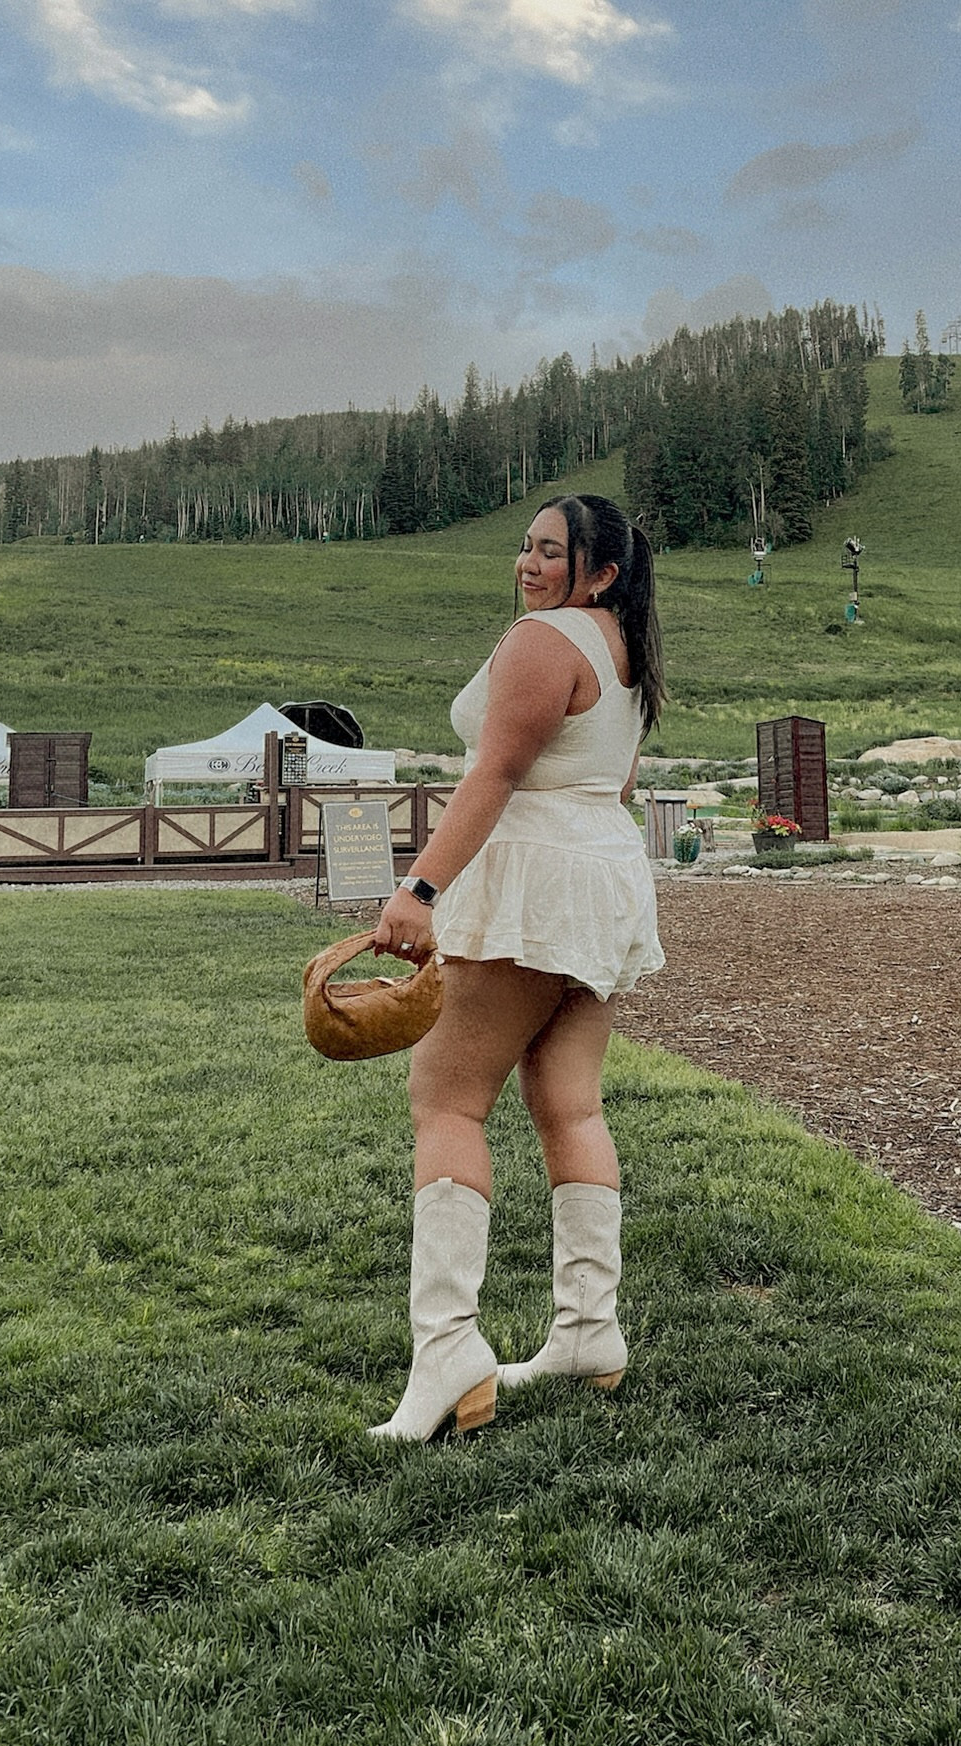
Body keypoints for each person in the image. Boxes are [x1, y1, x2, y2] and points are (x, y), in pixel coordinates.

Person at [367, 493, 666, 1442]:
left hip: (536, 886)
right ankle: (588, 1331)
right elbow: (612, 782)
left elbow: (492, 773)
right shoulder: (627, 650)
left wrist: (419, 888)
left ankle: (448, 1351)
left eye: (550, 551)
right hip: (605, 879)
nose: (526, 565)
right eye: (525, 548)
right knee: (570, 1103)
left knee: (447, 1098)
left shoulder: (543, 643)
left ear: (602, 569)